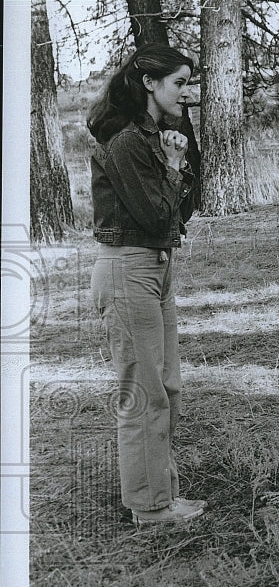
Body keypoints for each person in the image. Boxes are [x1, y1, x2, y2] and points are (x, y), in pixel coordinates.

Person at [87, 43, 205, 523]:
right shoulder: (127, 141)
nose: (188, 92)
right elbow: (157, 216)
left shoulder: (156, 133)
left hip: (157, 266)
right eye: (179, 83)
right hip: (127, 268)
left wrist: (180, 151)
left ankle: (163, 495)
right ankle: (149, 505)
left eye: (189, 83)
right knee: (143, 391)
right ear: (149, 84)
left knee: (168, 387)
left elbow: (185, 210)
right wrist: (173, 166)